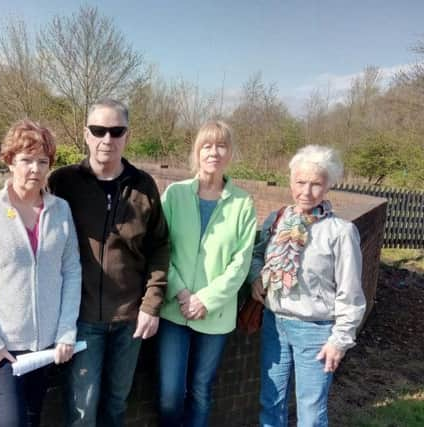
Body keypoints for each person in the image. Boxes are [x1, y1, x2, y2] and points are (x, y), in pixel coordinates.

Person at [0, 99, 170, 426]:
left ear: (127, 135)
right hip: (83, 318)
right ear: (86, 134)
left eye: (116, 131)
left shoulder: (143, 187)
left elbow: (160, 246)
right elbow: (8, 208)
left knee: (115, 405)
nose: (107, 139)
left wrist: (151, 303)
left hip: (127, 317)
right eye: (99, 130)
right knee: (81, 410)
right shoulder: (67, 182)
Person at [0, 119, 81, 427]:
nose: (35, 169)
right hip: (4, 346)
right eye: (26, 160)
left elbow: (72, 271)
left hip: (45, 347)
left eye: (42, 161)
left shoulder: (61, 211)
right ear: (10, 161)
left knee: (32, 418)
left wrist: (66, 331)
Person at [247, 145, 366, 427]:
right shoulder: (276, 221)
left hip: (316, 331)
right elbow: (256, 255)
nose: (306, 191)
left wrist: (340, 340)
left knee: (311, 413)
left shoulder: (340, 232)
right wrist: (255, 278)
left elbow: (350, 293)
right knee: (270, 402)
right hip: (275, 324)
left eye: (316, 184)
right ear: (291, 181)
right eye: (300, 182)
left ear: (328, 186)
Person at [157, 121, 257, 427]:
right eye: (207, 146)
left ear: (230, 154)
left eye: (221, 146)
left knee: (201, 390)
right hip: (175, 309)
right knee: (170, 394)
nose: (214, 152)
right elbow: (160, 248)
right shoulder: (174, 194)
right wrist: (182, 293)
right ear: (197, 152)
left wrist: (206, 299)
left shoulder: (243, 203)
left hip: (215, 315)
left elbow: (241, 263)